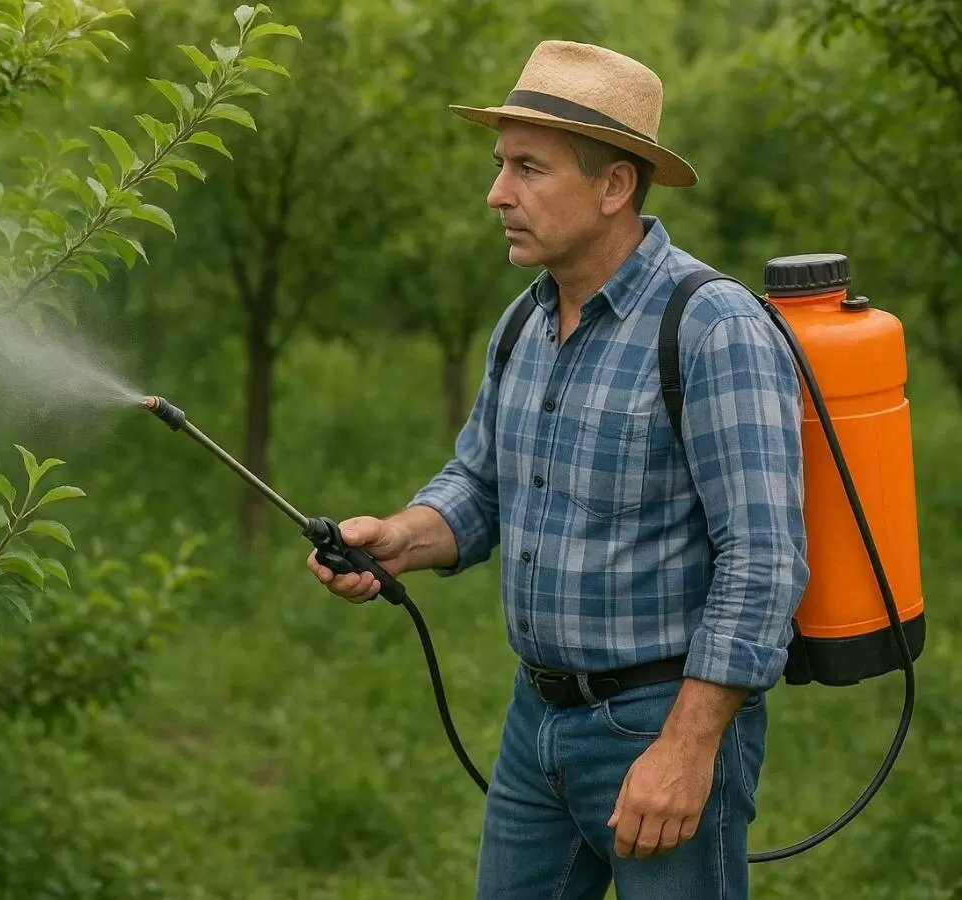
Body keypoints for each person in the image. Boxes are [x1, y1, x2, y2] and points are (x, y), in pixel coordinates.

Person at [306, 39, 809, 899]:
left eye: (528, 169)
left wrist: (685, 753)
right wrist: (396, 538)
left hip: (659, 722)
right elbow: (480, 485)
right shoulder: (524, 323)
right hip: (535, 725)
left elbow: (764, 563)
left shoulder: (711, 326)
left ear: (614, 186)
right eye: (501, 165)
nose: (496, 194)